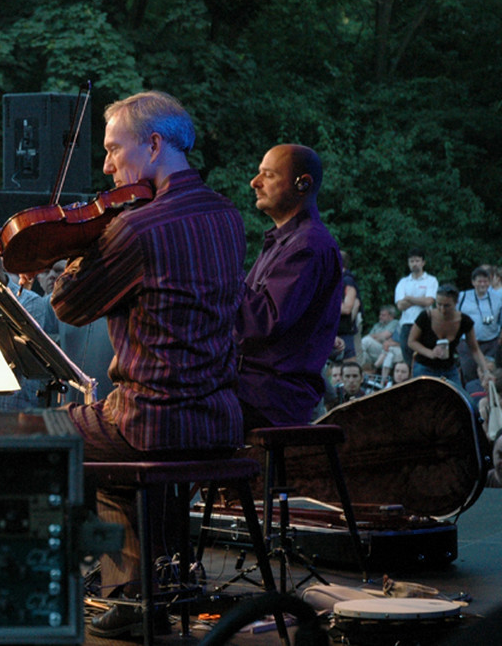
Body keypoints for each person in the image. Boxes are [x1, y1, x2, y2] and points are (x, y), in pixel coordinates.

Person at [48, 91, 245, 636]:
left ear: (154, 145)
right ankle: (148, 588)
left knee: (39, 435)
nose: (107, 166)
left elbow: (70, 305)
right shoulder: (228, 217)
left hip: (151, 418)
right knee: (112, 461)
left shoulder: (137, 228)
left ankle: (62, 587)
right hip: (221, 418)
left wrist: (82, 249)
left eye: (114, 149)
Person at [235, 144, 343, 428]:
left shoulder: (308, 245)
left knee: (173, 419)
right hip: (256, 392)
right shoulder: (286, 241)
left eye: (268, 175)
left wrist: (220, 270)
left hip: (269, 399)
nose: (254, 182)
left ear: (302, 184)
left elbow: (263, 321)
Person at [408, 284, 495, 392]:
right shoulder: (426, 317)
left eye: (447, 306)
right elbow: (411, 341)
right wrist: (430, 353)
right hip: (425, 367)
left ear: (456, 303)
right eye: (439, 304)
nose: (442, 309)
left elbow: (475, 349)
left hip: (448, 369)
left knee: (458, 399)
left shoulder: (464, 321)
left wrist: (486, 371)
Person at [457, 266, 502, 384]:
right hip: (468, 343)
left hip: (490, 343)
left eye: (486, 281)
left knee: (491, 374)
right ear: (473, 282)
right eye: (479, 281)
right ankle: (472, 397)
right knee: (469, 374)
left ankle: (490, 398)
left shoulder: (498, 298)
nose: (483, 284)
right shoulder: (462, 297)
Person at [395, 247, 439, 365]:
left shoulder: (431, 280)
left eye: (417, 261)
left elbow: (429, 301)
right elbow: (400, 305)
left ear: (423, 262)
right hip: (407, 324)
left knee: (424, 356)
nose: (415, 264)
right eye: (412, 261)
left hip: (425, 324)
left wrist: (409, 298)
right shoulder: (403, 282)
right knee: (408, 357)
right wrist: (420, 300)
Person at [361, 305, 404, 373]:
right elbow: (375, 337)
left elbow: (384, 336)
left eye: (383, 315)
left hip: (385, 349)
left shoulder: (394, 323)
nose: (380, 317)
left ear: (391, 316)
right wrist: (378, 337)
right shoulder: (377, 325)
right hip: (377, 349)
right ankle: (366, 373)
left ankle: (370, 371)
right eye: (380, 315)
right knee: (362, 352)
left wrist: (375, 337)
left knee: (366, 341)